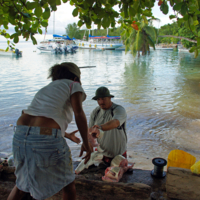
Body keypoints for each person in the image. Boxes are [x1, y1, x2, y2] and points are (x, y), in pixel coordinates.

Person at [7, 62, 92, 200]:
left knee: (22, 185)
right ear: (76, 78)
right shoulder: (73, 84)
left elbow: (35, 121)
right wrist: (87, 144)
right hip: (45, 139)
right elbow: (79, 113)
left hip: (20, 135)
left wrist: (66, 134)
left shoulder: (47, 88)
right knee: (68, 184)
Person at [89, 86, 127, 164]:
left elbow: (115, 123)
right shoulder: (95, 112)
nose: (101, 102)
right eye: (98, 99)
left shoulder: (118, 110)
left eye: (103, 99)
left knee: (118, 175)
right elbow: (90, 133)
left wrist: (100, 127)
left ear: (110, 98)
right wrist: (89, 152)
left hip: (117, 155)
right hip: (100, 154)